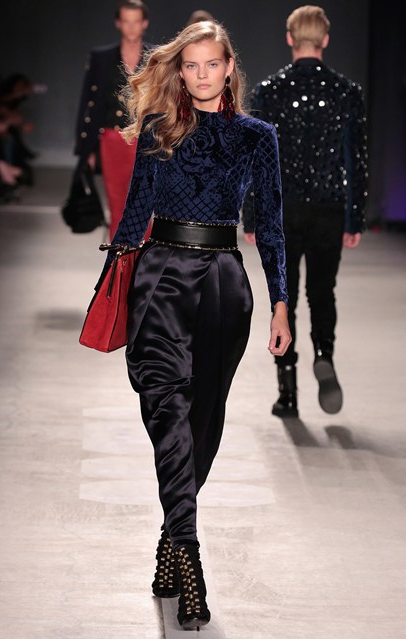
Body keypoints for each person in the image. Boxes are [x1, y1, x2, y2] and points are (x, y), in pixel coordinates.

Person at [93, 20, 291, 630]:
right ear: (179, 71)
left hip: (224, 284)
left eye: (212, 64)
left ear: (229, 68)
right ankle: (191, 558)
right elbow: (134, 216)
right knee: (167, 413)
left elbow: (270, 224)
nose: (202, 74)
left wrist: (282, 302)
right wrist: (110, 290)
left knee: (202, 419)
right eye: (191, 65)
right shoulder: (159, 128)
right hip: (160, 280)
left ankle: (169, 542)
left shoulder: (258, 136)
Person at [243, 5, 367, 418]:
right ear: (325, 39)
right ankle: (323, 353)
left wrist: (251, 215)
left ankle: (288, 391)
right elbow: (356, 161)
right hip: (329, 207)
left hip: (282, 210)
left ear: (290, 38)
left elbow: (256, 159)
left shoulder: (269, 91)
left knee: (285, 297)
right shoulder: (347, 92)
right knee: (322, 292)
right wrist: (355, 217)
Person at [74, 0, 153, 238]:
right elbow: (88, 101)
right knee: (117, 203)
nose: (131, 27)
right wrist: (85, 148)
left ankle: (145, 258)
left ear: (144, 23)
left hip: (146, 139)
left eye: (136, 21)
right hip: (112, 138)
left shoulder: (157, 57)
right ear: (118, 23)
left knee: (144, 205)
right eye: (126, 21)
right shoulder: (101, 58)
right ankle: (118, 258)